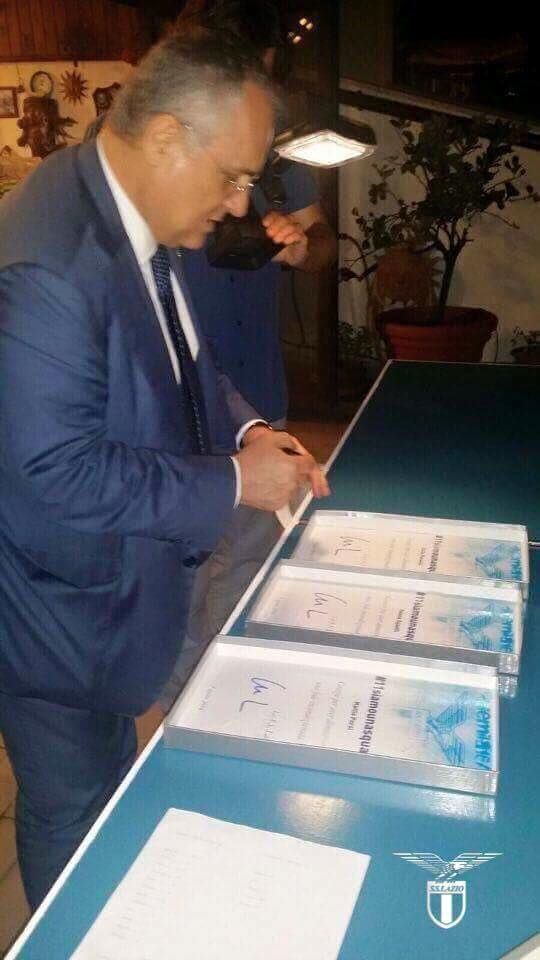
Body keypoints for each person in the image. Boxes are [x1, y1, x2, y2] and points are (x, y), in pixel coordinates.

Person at [0, 31, 328, 909]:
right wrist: (234, 484)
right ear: (167, 137)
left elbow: (188, 361)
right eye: (233, 176)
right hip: (50, 613)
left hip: (105, 597)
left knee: (105, 788)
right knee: (70, 811)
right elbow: (51, 473)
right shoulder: (50, 263)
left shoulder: (131, 212)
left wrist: (250, 428)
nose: (240, 202)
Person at [160, 0, 337, 709]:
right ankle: (177, 705)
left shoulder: (283, 157)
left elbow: (324, 248)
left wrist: (301, 246)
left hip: (260, 392)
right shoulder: (167, 159)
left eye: (265, 76)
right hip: (179, 402)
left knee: (251, 557)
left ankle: (219, 684)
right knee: (184, 569)